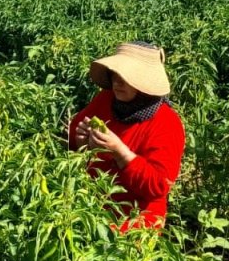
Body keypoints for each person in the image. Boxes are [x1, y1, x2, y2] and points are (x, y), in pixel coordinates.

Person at [69, 41, 185, 231]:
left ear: (144, 82)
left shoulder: (166, 123)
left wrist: (121, 152)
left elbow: (158, 185)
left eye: (126, 76)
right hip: (90, 209)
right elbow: (73, 136)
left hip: (133, 223)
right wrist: (81, 143)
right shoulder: (106, 100)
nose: (117, 81)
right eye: (115, 74)